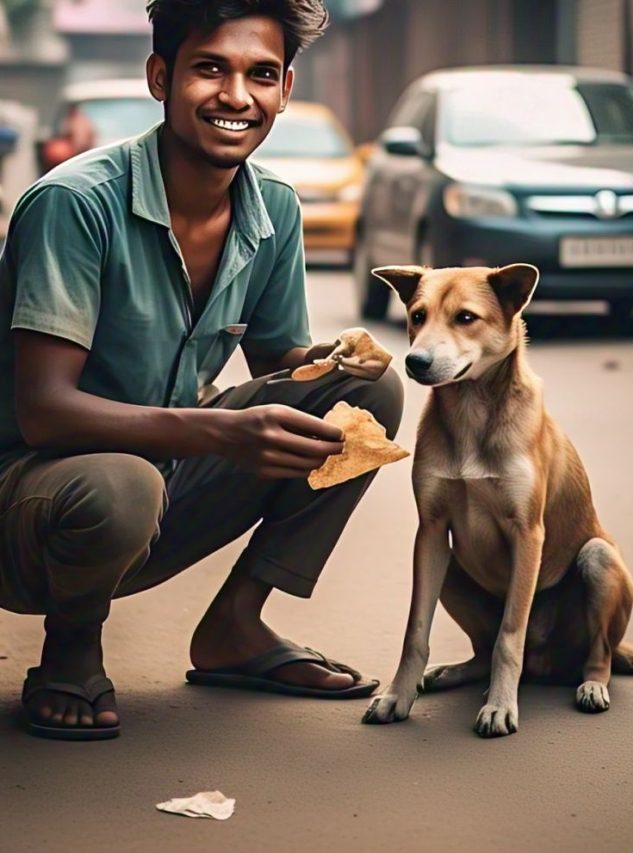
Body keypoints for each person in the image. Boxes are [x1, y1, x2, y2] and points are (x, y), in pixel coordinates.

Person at [0, 0, 403, 741]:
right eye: (210, 68)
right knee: (122, 481)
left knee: (367, 392)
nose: (236, 97)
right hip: (35, 502)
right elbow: (44, 411)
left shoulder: (274, 207)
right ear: (161, 76)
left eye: (261, 75)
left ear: (284, 89)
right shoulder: (75, 203)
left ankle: (236, 625)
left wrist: (333, 364)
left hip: (165, 479)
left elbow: (280, 360)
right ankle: (72, 646)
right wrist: (220, 430)